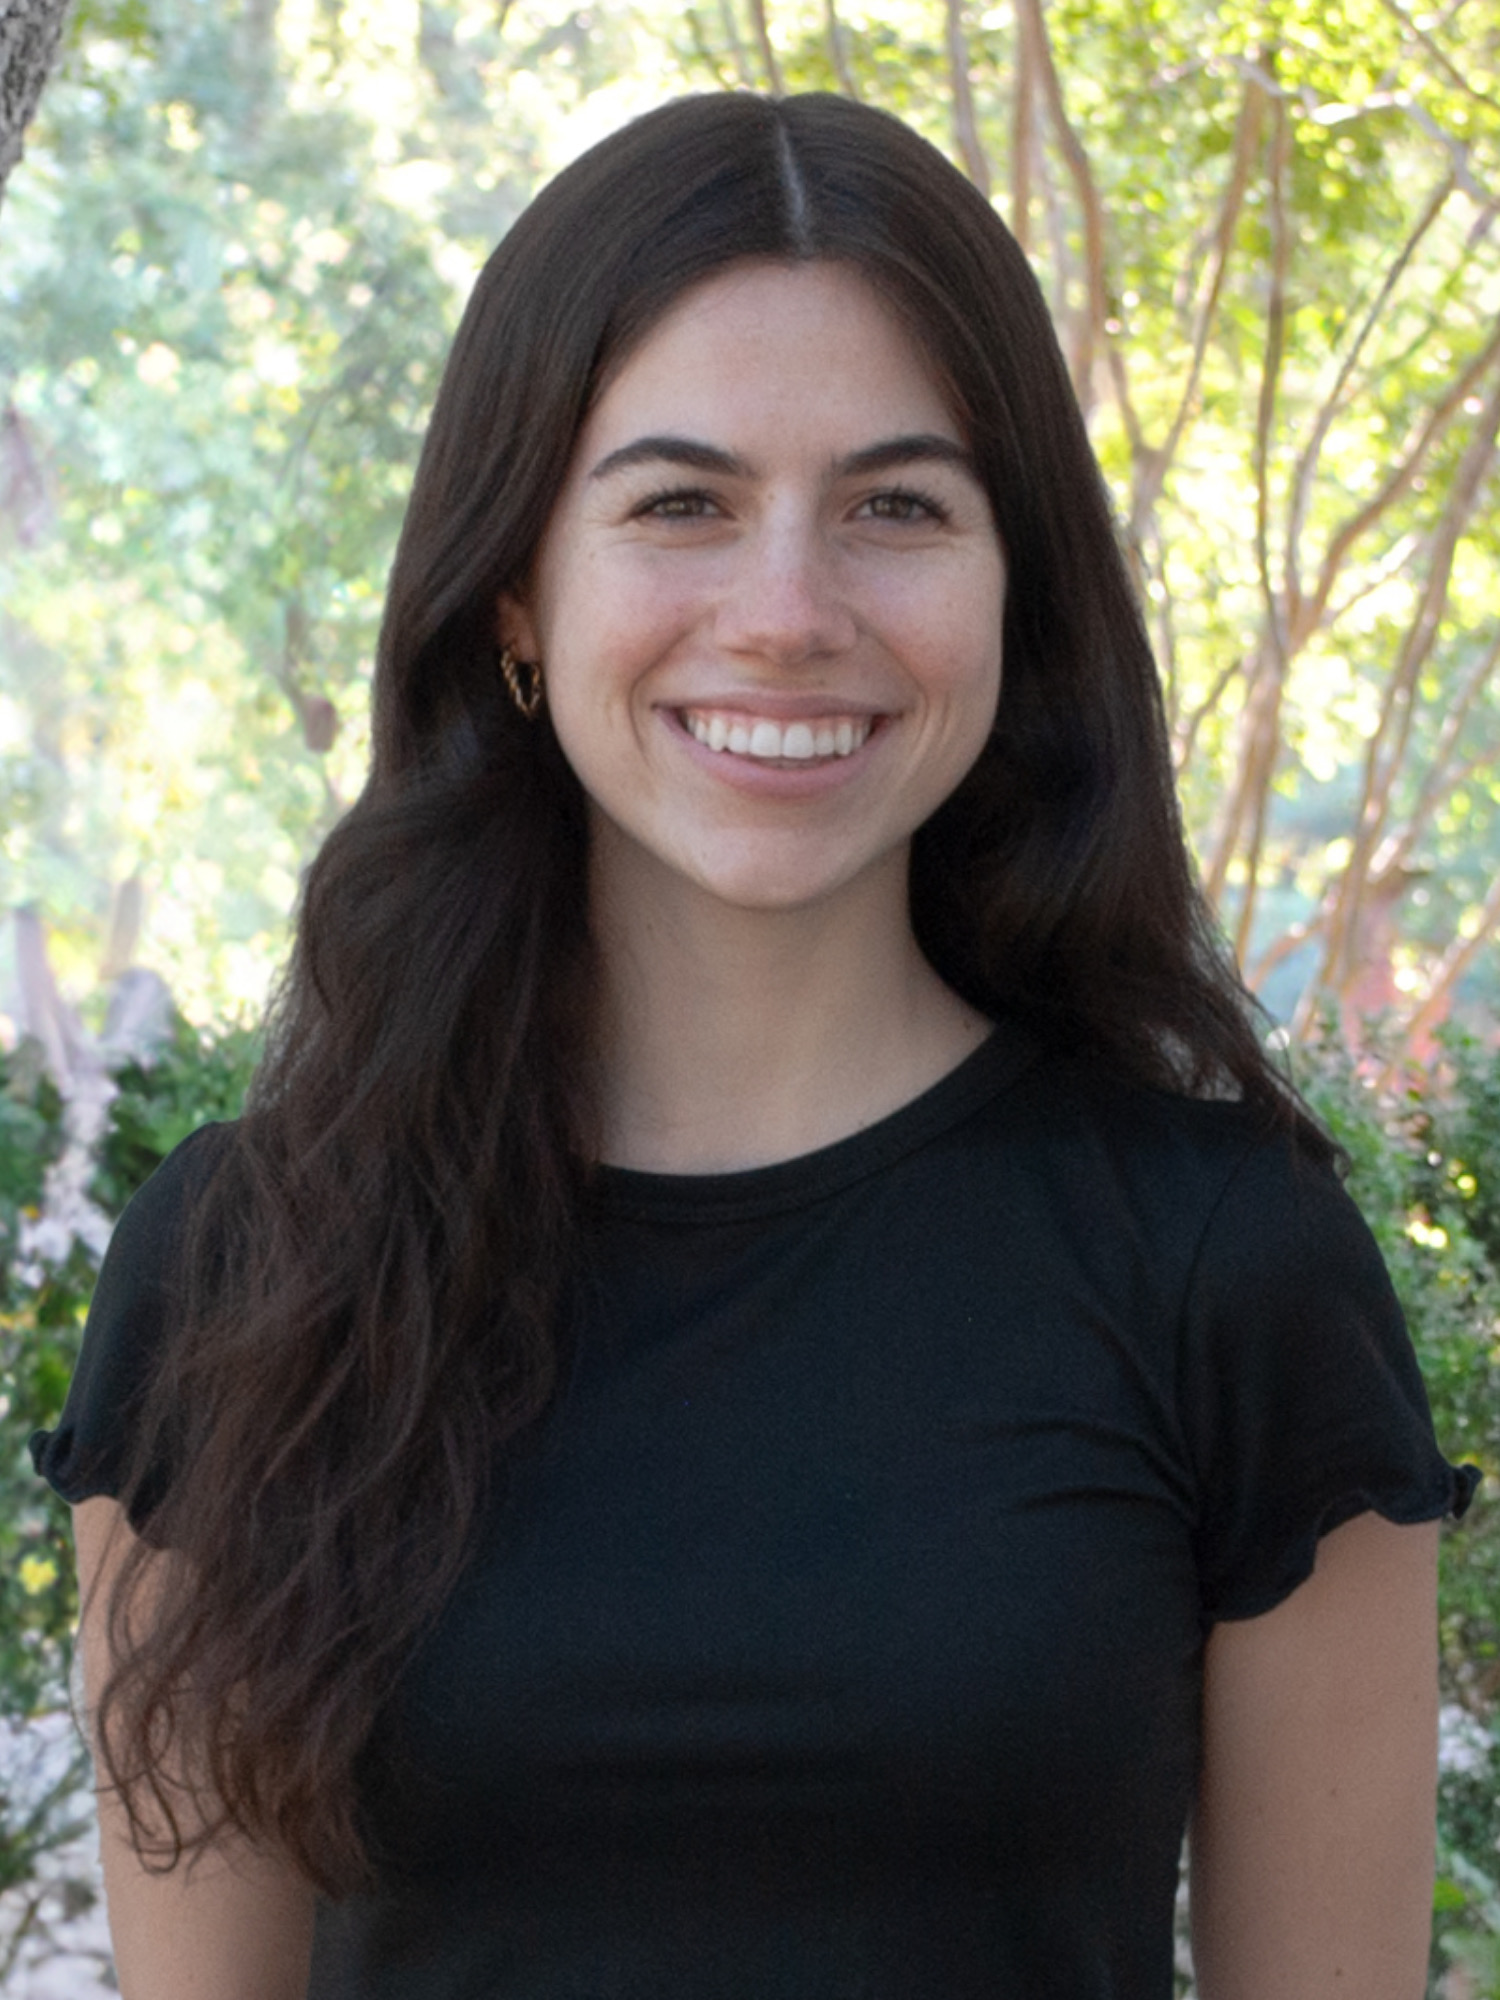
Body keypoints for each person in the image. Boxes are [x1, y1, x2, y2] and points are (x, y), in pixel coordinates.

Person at [33, 90, 1477, 2000]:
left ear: (1011, 592)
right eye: (679, 503)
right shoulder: (242, 1273)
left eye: (897, 507)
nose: (787, 615)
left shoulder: (1230, 1273)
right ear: (517, 599)